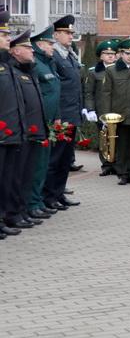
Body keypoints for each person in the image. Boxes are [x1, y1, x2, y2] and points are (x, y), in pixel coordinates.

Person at [6, 29, 47, 229]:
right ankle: (12, 213)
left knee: (25, 176)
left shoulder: (26, 71)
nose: (32, 51)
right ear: (15, 51)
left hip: (29, 131)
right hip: (16, 132)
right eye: (27, 47)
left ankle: (21, 211)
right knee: (13, 178)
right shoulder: (12, 71)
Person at [43, 15, 83, 211]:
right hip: (61, 118)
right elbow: (55, 89)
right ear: (56, 34)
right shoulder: (55, 57)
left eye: (71, 33)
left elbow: (75, 86)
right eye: (66, 33)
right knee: (56, 158)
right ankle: (49, 196)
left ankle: (59, 194)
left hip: (72, 116)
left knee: (66, 159)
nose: (70, 36)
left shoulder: (70, 55)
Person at [98, 38, 130, 185]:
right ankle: (122, 174)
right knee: (121, 145)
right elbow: (106, 94)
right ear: (121, 54)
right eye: (127, 53)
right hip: (118, 116)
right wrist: (106, 117)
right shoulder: (111, 70)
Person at [27, 27, 61, 220]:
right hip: (38, 123)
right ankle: (32, 203)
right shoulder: (36, 64)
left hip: (48, 122)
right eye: (49, 44)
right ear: (40, 45)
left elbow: (54, 93)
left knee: (43, 164)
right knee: (37, 165)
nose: (52, 48)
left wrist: (57, 116)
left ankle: (37, 201)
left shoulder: (48, 63)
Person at [0, 11, 27, 238]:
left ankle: (3, 217)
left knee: (7, 179)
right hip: (2, 133)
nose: (8, 38)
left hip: (10, 133)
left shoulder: (7, 64)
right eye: (4, 34)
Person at [84, 39, 118, 176]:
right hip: (102, 111)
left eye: (113, 53)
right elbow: (88, 92)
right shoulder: (94, 72)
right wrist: (90, 109)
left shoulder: (120, 71)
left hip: (117, 110)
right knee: (104, 139)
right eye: (106, 53)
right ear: (101, 56)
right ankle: (106, 165)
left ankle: (117, 164)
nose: (110, 56)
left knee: (117, 139)